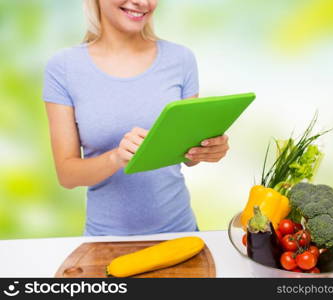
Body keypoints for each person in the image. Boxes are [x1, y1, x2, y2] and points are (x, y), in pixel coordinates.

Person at [42, 0, 229, 236]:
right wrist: (116, 158)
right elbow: (66, 175)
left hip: (180, 234)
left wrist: (209, 148)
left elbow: (188, 155)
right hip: (104, 240)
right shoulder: (64, 68)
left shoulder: (181, 59)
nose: (143, 2)